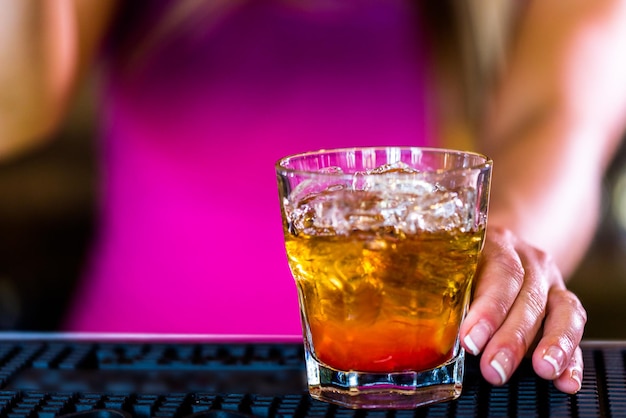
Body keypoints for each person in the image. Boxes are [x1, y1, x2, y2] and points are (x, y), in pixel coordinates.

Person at [2, 0, 626, 395]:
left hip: (398, 395)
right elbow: (15, 106)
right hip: (131, 386)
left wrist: (504, 245)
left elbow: (560, 119)